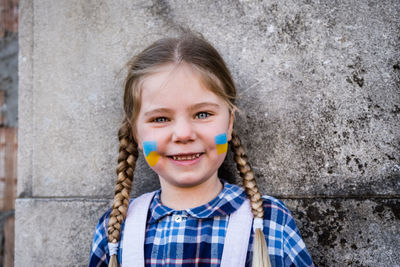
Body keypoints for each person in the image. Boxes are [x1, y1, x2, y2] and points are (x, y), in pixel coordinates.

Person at [89, 33, 314, 267]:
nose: (184, 134)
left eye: (203, 114)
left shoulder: (269, 223)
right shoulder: (114, 232)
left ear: (229, 124)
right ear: (136, 134)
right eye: (161, 118)